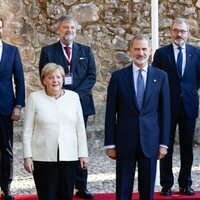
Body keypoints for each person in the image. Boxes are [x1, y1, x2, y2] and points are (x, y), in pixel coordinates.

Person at [104, 34, 171, 200]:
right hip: (125, 141)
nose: (140, 53)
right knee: (123, 188)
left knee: (147, 190)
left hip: (150, 141)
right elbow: (110, 113)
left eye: (143, 49)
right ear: (130, 51)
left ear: (150, 51)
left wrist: (163, 143)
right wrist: (110, 144)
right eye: (136, 49)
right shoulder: (118, 77)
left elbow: (165, 113)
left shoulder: (161, 76)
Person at [39, 15, 96, 199]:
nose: (69, 30)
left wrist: (73, 97)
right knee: (60, 144)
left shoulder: (85, 51)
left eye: (72, 27)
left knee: (79, 142)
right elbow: (45, 76)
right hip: (55, 105)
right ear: (58, 30)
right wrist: (62, 96)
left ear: (76, 30)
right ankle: (61, 184)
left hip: (80, 104)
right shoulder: (48, 51)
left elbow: (91, 76)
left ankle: (82, 185)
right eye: (65, 27)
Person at [23, 63, 89, 200]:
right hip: (42, 157)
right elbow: (27, 130)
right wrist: (27, 156)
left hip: (69, 156)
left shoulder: (74, 97)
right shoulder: (34, 98)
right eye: (51, 77)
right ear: (44, 80)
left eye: (58, 77)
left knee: (66, 195)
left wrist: (83, 154)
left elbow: (80, 129)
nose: (55, 80)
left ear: (63, 79)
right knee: (47, 196)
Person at [152, 18, 200, 196]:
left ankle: (185, 183)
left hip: (189, 105)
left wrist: (188, 92)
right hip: (167, 107)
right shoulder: (161, 54)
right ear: (171, 32)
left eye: (182, 31)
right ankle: (166, 184)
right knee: (166, 146)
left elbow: (197, 79)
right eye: (176, 30)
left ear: (188, 33)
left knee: (187, 147)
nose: (179, 34)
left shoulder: (196, 53)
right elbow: (155, 78)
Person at [0, 18, 25, 200]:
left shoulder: (12, 51)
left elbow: (20, 81)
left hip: (5, 108)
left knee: (6, 150)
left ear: (2, 29)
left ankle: (6, 187)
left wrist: (18, 105)